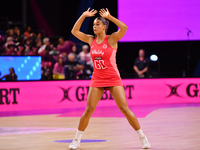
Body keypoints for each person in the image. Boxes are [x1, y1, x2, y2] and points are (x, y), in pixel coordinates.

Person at [69, 8, 151, 149]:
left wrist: (110, 16)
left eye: (98, 24)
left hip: (113, 78)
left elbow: (124, 27)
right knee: (88, 110)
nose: (94, 27)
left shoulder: (112, 39)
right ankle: (76, 139)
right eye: (94, 24)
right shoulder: (90, 39)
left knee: (124, 109)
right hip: (97, 79)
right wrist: (83, 15)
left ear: (104, 26)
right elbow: (74, 32)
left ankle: (142, 137)